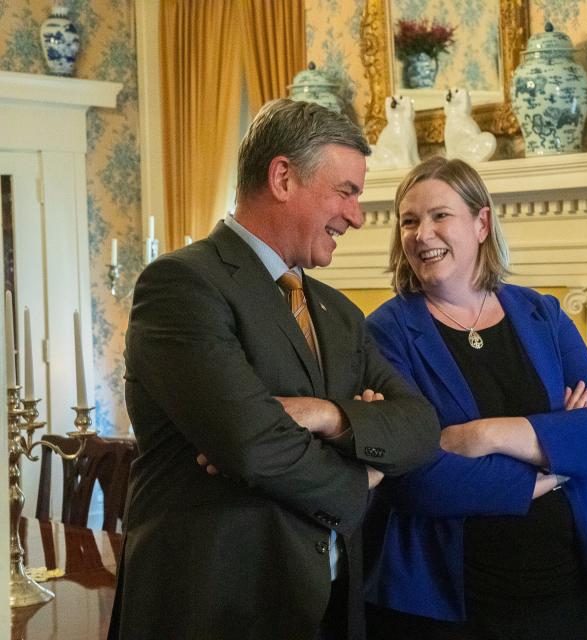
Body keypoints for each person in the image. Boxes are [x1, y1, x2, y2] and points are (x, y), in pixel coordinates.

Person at [108, 99, 440, 640]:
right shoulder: (182, 285)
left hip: (330, 610)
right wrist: (366, 476)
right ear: (283, 177)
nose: (357, 216)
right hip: (215, 610)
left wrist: (331, 417)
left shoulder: (339, 312)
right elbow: (252, 446)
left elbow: (422, 426)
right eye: (347, 192)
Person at [362, 156, 587, 640]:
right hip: (453, 604)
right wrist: (556, 461)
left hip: (566, 589)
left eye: (439, 215)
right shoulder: (387, 332)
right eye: (409, 220)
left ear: (482, 222)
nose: (422, 234)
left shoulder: (541, 314)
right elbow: (417, 479)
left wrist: (487, 434)